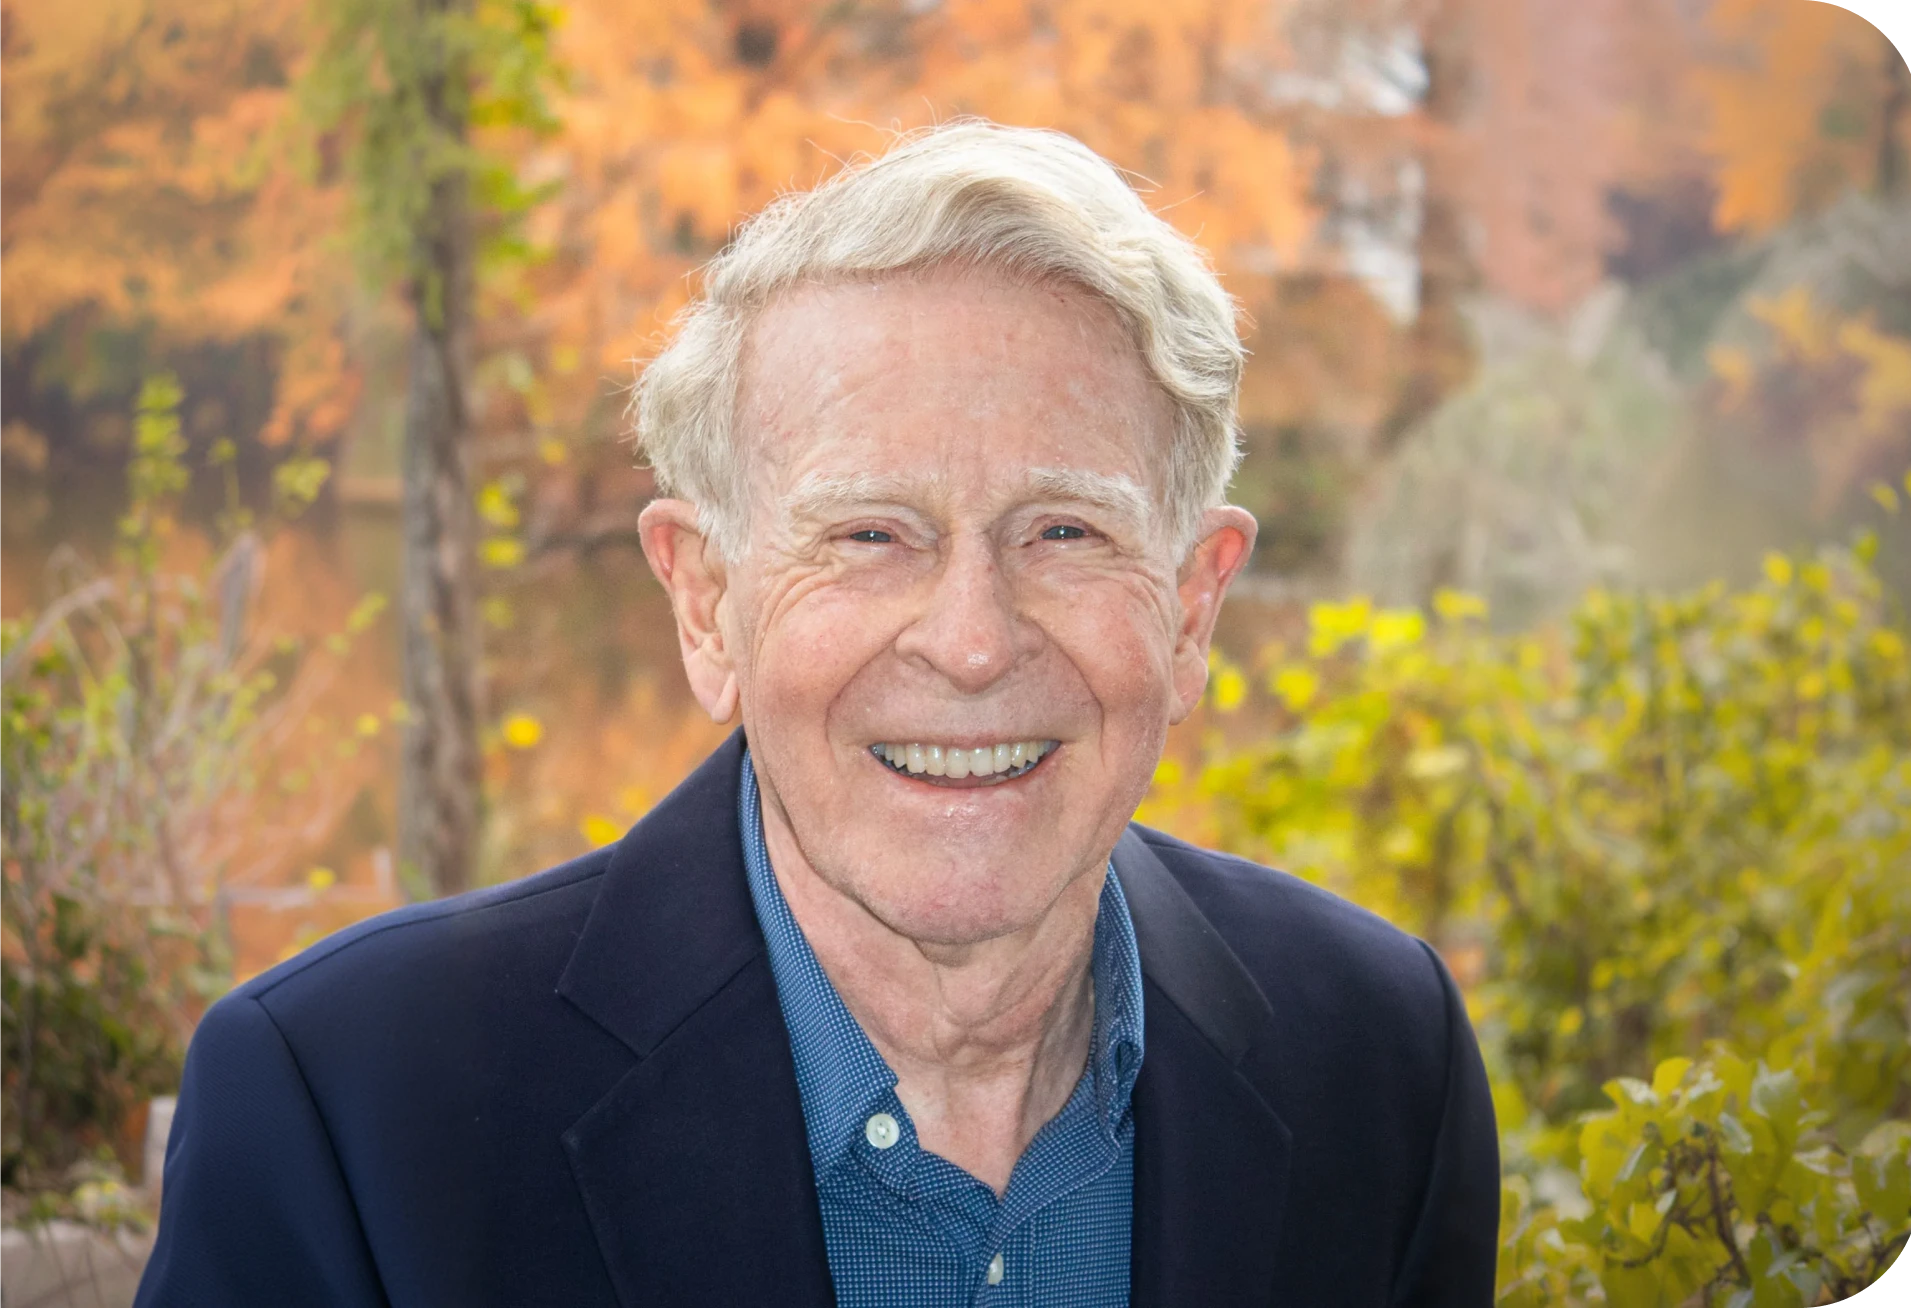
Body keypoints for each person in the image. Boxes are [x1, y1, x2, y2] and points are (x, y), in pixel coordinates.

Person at [135, 121, 1498, 1307]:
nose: (972, 641)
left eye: (1065, 531)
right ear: (705, 603)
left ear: (1192, 608)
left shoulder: (1379, 1059)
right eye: (868, 535)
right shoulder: (352, 1111)